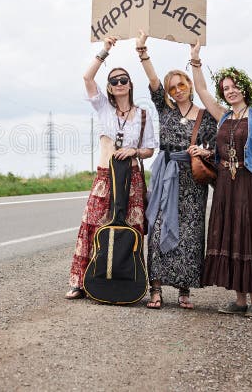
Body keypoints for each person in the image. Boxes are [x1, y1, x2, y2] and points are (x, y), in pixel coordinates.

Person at [189, 40, 252, 317]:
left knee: (249, 235)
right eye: (225, 89)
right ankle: (239, 300)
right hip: (225, 185)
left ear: (245, 87)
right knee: (230, 235)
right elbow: (202, 90)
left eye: (233, 87)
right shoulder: (223, 116)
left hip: (248, 180)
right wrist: (195, 59)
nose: (229, 92)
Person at [65, 37, 158, 299]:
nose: (119, 84)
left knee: (132, 228)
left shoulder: (142, 114)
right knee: (93, 224)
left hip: (132, 178)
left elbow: (150, 149)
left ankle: (129, 280)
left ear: (130, 85)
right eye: (114, 81)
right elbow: (87, 78)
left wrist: (135, 151)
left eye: (123, 80)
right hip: (106, 176)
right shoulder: (103, 108)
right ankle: (80, 282)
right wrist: (105, 49)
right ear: (109, 87)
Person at [135, 30, 221, 309]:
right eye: (172, 88)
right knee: (159, 229)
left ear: (188, 85)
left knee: (191, 232)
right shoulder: (165, 110)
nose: (176, 90)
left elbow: (214, 148)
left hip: (192, 180)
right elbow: (153, 81)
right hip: (165, 176)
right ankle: (156, 289)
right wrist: (142, 51)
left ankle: (184, 291)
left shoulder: (205, 116)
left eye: (180, 85)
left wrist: (205, 151)